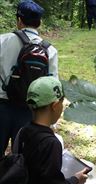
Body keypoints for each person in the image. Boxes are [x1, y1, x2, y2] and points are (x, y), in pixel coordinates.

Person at [15, 76, 88, 184]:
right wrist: (75, 180)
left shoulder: (22, 132)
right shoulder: (51, 143)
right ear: (55, 105)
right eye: (62, 102)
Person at [0, 0, 58, 156]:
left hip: (2, 105)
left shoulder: (3, 40)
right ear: (39, 22)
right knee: (23, 158)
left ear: (19, 20)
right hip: (30, 110)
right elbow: (53, 85)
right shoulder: (49, 49)